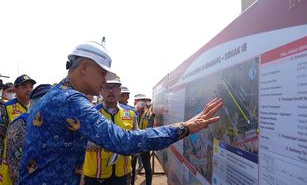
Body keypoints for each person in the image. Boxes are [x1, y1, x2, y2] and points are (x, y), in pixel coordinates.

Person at [19, 41, 223, 185]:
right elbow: (124, 142)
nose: (105, 82)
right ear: (84, 68)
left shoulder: (53, 95)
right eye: (102, 73)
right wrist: (184, 128)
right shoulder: (71, 100)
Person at [83, 77, 137, 185]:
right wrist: (103, 144)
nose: (111, 91)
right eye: (107, 87)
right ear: (101, 90)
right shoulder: (89, 114)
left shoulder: (131, 114)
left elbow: (136, 139)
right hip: (96, 176)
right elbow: (80, 142)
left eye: (115, 87)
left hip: (122, 174)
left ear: (120, 91)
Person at [6, 84, 52, 185]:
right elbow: (15, 165)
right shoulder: (21, 123)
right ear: (33, 102)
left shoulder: (51, 123)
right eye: (43, 100)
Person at [1, 75, 36, 185]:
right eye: (24, 87)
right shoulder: (7, 107)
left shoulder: (36, 106)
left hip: (30, 160)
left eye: (31, 87)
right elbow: (1, 134)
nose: (29, 90)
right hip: (9, 159)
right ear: (15, 90)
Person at [130, 94, 153, 185]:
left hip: (145, 145)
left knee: (147, 166)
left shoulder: (149, 114)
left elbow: (150, 130)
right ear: (135, 102)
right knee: (132, 166)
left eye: (142, 100)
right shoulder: (132, 113)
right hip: (133, 144)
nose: (140, 102)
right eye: (138, 100)